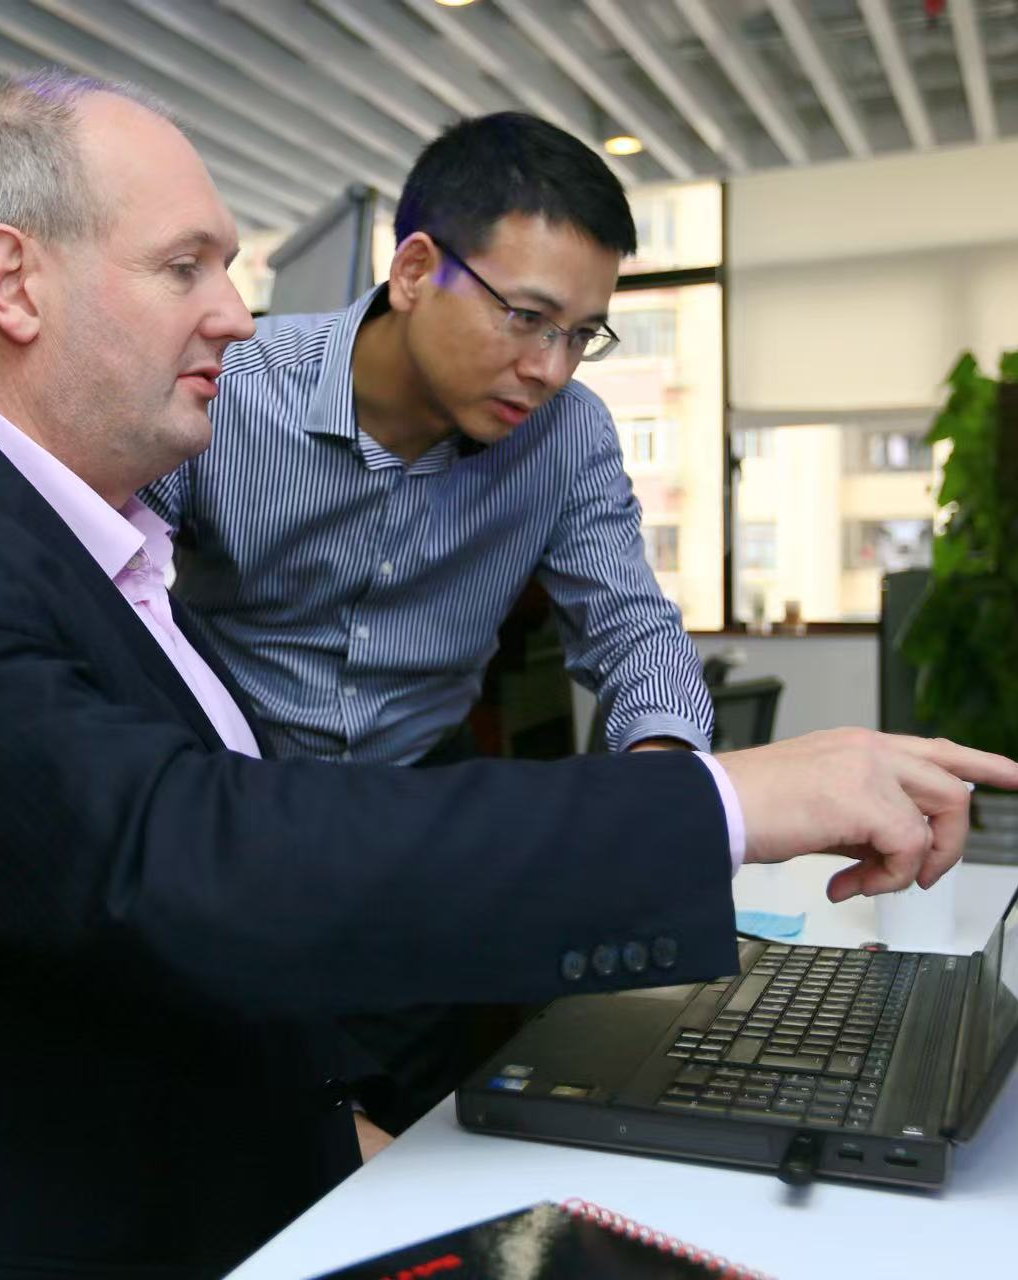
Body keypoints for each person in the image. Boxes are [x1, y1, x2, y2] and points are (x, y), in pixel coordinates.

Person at [0, 73, 1018, 1280]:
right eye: (187, 268)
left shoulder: (95, 548)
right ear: (16, 284)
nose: (238, 314)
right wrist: (726, 806)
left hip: (225, 1092)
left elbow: (154, 929)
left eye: (231, 267)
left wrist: (349, 1139)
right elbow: (184, 863)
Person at [139, 111, 716, 1131]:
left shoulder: (567, 435)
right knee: (236, 1138)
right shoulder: (231, 390)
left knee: (417, 1146)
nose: (551, 367)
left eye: (580, 334)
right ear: (414, 270)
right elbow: (114, 600)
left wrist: (662, 789)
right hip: (234, 832)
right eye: (527, 317)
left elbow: (634, 631)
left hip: (418, 832)